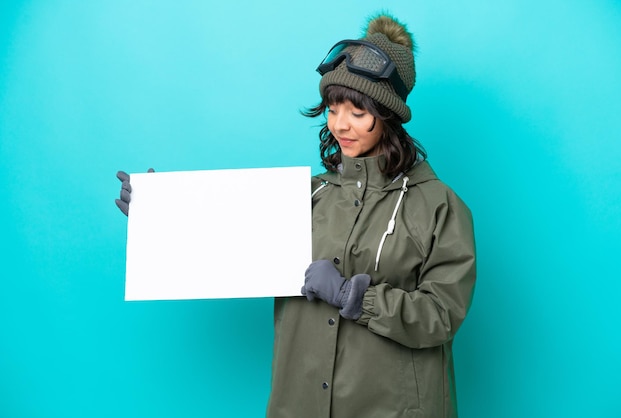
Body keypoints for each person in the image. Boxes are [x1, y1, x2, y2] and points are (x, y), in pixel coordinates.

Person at [116, 13, 476, 418]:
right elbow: (234, 252)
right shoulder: (307, 195)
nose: (341, 125)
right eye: (333, 108)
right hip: (300, 403)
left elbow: (441, 315)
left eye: (357, 113)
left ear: (388, 115)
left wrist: (352, 297)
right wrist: (163, 217)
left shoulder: (438, 205)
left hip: (393, 408)